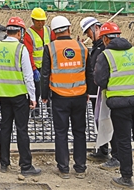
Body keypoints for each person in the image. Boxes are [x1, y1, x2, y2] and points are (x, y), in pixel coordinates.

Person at [94, 22, 134, 190]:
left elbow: (100, 80)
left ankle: (127, 177)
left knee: (124, 140)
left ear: (105, 39)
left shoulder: (106, 55)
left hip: (120, 105)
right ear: (119, 35)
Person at [41, 16, 90, 179]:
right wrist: (88, 92)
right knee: (79, 132)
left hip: (59, 96)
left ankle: (63, 168)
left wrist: (44, 95)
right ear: (69, 29)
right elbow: (88, 72)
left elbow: (45, 74)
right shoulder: (82, 47)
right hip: (80, 96)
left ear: (54, 32)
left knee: (61, 132)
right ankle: (80, 168)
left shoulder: (50, 48)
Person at [0, 16, 41, 176]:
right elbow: (28, 76)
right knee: (22, 130)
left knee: (5, 128)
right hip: (19, 96)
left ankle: (4, 162)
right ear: (20, 32)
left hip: (4, 95)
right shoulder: (21, 49)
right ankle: (25, 166)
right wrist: (32, 97)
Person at [80, 16, 118, 168]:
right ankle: (103, 150)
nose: (88, 35)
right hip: (96, 93)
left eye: (88, 32)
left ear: (96, 28)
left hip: (106, 92)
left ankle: (116, 156)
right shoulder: (97, 47)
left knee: (109, 122)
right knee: (100, 121)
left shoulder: (105, 48)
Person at [29, 7, 50, 116]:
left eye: (43, 20)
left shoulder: (48, 30)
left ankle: (51, 112)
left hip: (47, 67)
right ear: (33, 20)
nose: (41, 23)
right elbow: (28, 53)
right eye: (38, 21)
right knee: (36, 91)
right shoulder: (29, 33)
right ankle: (35, 113)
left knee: (49, 90)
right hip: (36, 67)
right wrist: (33, 69)